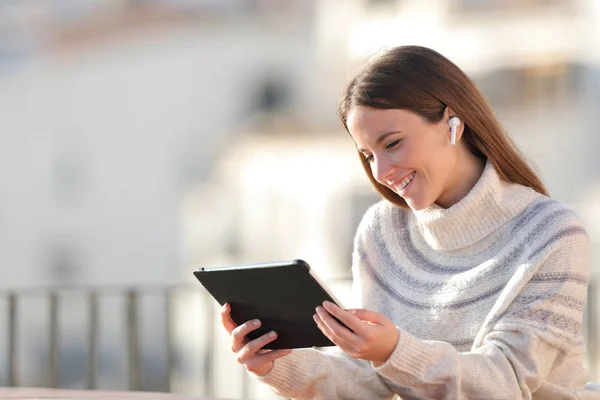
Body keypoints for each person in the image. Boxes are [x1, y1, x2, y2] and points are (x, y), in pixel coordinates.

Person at [220, 45, 600, 399]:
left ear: (454, 122)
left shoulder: (551, 232)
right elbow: (373, 381)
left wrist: (395, 350)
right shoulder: (383, 231)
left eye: (393, 143)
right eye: (368, 155)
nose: (382, 172)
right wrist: (278, 364)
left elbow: (507, 381)